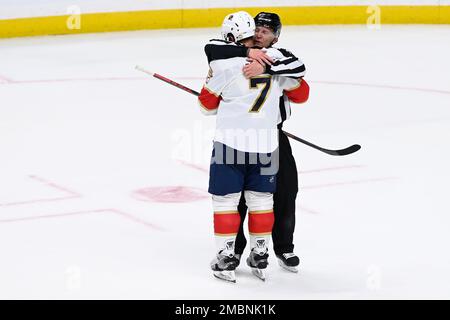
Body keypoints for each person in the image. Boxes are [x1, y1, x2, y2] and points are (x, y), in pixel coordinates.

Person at [198, 11, 306, 282]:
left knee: (229, 201)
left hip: (236, 142)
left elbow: (206, 105)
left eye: (266, 32)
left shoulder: (236, 62)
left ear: (276, 37)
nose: (260, 35)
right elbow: (300, 89)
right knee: (261, 199)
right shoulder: (269, 61)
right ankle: (258, 251)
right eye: (257, 30)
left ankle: (229, 253)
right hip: (265, 143)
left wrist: (215, 85)